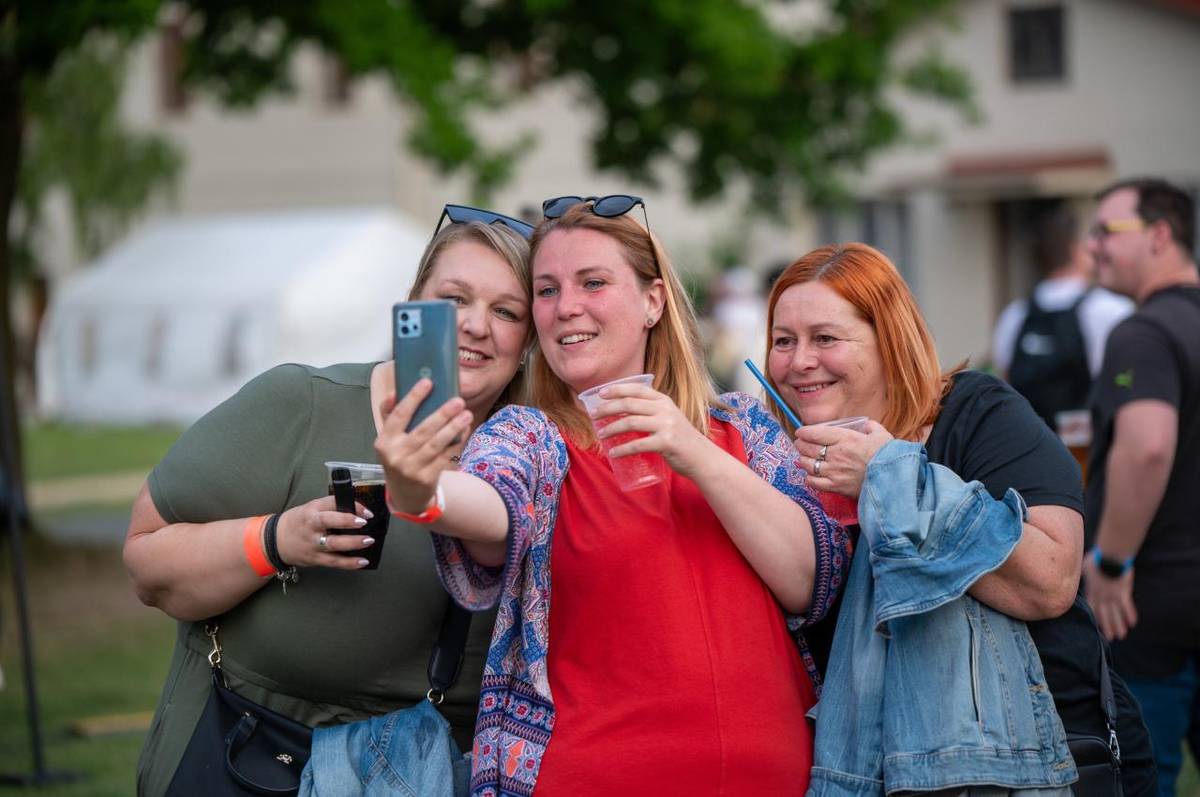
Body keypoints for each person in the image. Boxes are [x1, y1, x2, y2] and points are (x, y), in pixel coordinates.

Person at [376, 195, 850, 796]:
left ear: (653, 301)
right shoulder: (531, 436)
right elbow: (490, 506)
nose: (566, 307)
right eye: (545, 291)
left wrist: (690, 448)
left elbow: (814, 580)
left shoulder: (745, 431)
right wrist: (423, 489)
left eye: (592, 282)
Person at [123, 205, 534, 797]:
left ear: (527, 340)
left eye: (506, 311)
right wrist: (277, 540)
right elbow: (146, 562)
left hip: (429, 773)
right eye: (454, 299)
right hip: (251, 757)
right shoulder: (300, 404)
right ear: (412, 306)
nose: (475, 325)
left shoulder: (535, 457)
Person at [763, 242, 1157, 796]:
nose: (799, 360)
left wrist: (891, 477)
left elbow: (1052, 581)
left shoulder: (975, 414)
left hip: (1051, 762)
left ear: (890, 341)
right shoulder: (774, 467)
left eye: (825, 338)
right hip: (875, 771)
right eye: (784, 341)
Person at [1081, 177, 1200, 797]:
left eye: (1106, 230)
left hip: (1149, 607)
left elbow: (1148, 446)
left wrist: (1112, 558)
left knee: (1143, 777)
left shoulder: (1144, 333)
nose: (1092, 245)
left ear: (1159, 235)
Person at [991, 203, 1133, 428]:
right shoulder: (1109, 309)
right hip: (1086, 451)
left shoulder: (1014, 316)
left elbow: (1005, 386)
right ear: (1077, 249)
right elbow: (1125, 383)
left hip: (1030, 447)